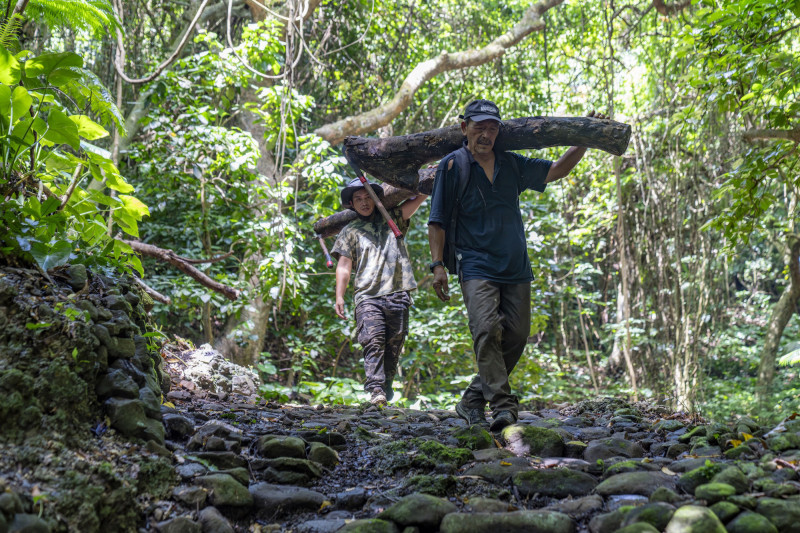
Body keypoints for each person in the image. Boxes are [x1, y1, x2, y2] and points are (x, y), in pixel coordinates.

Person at [427, 99, 607, 431]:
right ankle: (504, 407)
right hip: (475, 262)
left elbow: (556, 170)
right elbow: (436, 221)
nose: (486, 134)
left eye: (492, 128)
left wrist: (584, 140)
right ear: (464, 127)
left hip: (514, 265)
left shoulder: (512, 164)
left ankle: (471, 398)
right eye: (479, 127)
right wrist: (437, 264)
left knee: (518, 335)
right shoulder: (453, 166)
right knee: (486, 329)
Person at [332, 178, 428, 406]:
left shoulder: (392, 218)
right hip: (367, 296)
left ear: (375, 200)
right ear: (351, 204)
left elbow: (418, 199)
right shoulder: (349, 231)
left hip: (398, 293)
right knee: (373, 340)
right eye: (358, 199)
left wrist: (430, 181)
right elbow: (344, 266)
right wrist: (339, 296)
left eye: (368, 197)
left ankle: (385, 387)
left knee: (394, 344)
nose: (364, 203)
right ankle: (375, 389)